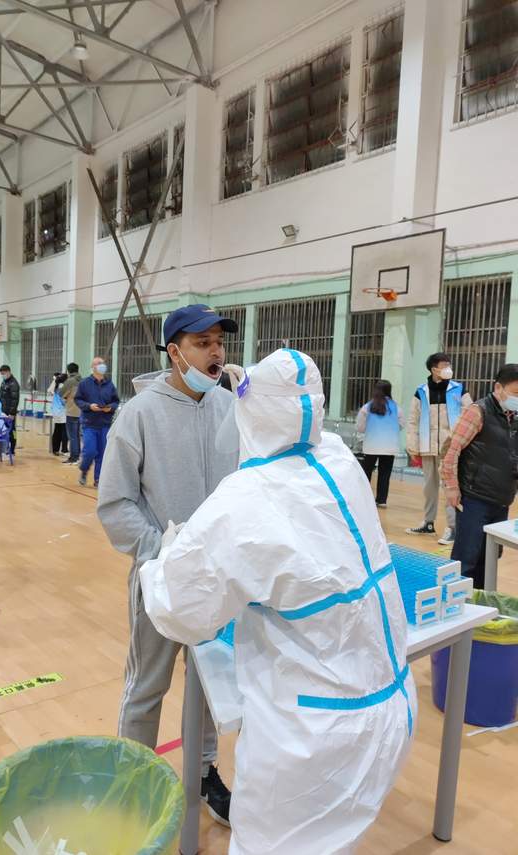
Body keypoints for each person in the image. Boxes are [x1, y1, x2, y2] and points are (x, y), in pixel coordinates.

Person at [139, 349, 416, 855]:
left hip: (312, 733)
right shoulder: (338, 458)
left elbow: (180, 611)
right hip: (390, 700)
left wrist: (163, 559)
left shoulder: (247, 498)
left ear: (252, 411)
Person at [97, 305, 240, 827]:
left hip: (217, 583)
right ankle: (131, 778)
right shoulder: (138, 414)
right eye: (203, 343)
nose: (216, 352)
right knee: (147, 685)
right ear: (174, 352)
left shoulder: (231, 408)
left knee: (209, 685)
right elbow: (115, 503)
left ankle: (203, 772)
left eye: (219, 342)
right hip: (161, 580)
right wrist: (163, 551)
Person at [441, 364, 518, 589]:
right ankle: (455, 602)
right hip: (474, 498)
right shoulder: (478, 411)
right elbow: (451, 451)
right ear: (498, 388)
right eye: (516, 393)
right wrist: (451, 487)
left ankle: (479, 604)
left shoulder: (514, 418)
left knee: (489, 558)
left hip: (501, 499)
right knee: (467, 557)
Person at [406, 353, 472, 544]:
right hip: (427, 447)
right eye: (444, 365)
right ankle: (428, 523)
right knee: (429, 487)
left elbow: (469, 414)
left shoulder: (459, 389)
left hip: (450, 448)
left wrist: (462, 443)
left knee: (450, 487)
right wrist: (413, 447)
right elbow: (413, 420)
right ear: (433, 369)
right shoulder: (421, 392)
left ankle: (453, 527)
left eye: (449, 364)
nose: (448, 368)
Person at [356, 380, 405, 508]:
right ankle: (381, 500)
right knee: (385, 473)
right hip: (390, 446)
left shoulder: (367, 407)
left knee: (366, 472)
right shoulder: (396, 408)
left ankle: (364, 499)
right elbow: (401, 425)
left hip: (371, 445)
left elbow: (360, 427)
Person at [75, 357, 120, 487]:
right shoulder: (84, 383)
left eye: (103, 363)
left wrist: (110, 407)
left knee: (102, 453)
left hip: (105, 423)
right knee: (90, 451)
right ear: (93, 367)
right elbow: (78, 400)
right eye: (99, 363)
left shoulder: (109, 384)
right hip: (89, 423)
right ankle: (84, 470)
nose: (102, 365)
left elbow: (115, 401)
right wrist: (89, 406)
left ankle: (98, 479)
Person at [60, 362, 82, 465]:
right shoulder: (83, 380)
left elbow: (61, 393)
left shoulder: (70, 381)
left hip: (72, 411)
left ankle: (74, 457)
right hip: (82, 411)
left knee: (72, 436)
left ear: (68, 371)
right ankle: (77, 455)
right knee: (77, 435)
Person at [0, 364, 20, 455]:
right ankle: (4, 449)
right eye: (1, 374)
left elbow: (15, 400)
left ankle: (12, 449)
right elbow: (2, 397)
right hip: (3, 411)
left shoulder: (13, 384)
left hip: (10, 412)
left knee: (12, 431)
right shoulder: (4, 382)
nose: (3, 375)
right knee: (4, 430)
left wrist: (12, 413)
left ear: (8, 372)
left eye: (4, 373)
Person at [48, 372, 69, 456]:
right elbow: (63, 401)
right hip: (61, 411)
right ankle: (64, 450)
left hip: (56, 411)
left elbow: (50, 391)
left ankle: (55, 449)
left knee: (57, 430)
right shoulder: (62, 387)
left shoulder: (57, 386)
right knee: (64, 431)